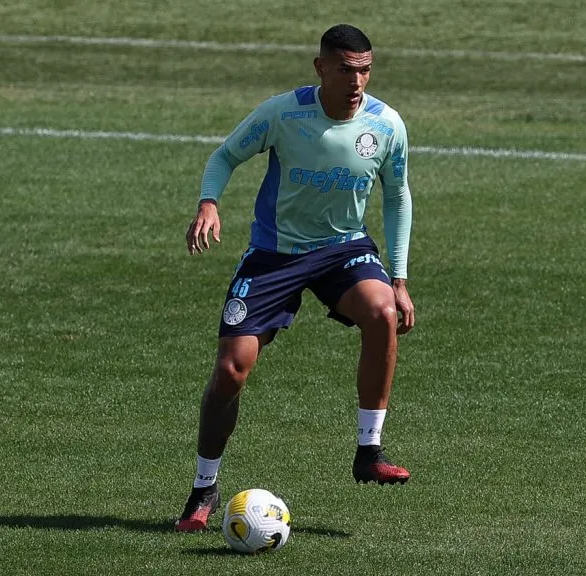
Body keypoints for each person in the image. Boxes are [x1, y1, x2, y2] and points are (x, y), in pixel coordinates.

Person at [176, 23, 415, 532]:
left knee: (382, 312)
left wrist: (399, 277)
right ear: (321, 67)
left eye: (366, 70)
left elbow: (397, 198)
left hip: (343, 249)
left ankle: (369, 451)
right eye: (348, 70)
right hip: (275, 255)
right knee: (230, 372)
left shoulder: (387, 124)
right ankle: (204, 489)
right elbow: (224, 156)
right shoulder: (282, 113)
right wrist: (209, 202)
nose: (358, 81)